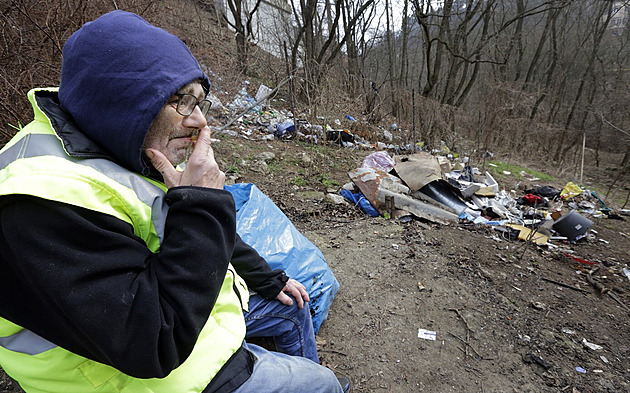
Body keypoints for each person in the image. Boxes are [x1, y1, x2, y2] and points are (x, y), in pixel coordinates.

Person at [0, 10, 349, 393]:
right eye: (182, 101)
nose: (199, 121)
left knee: (292, 310)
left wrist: (269, 279)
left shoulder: (112, 143)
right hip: (143, 377)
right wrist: (201, 204)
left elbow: (178, 223)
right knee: (325, 384)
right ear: (126, 99)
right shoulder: (37, 203)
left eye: (201, 103)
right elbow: (153, 343)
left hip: (193, 317)